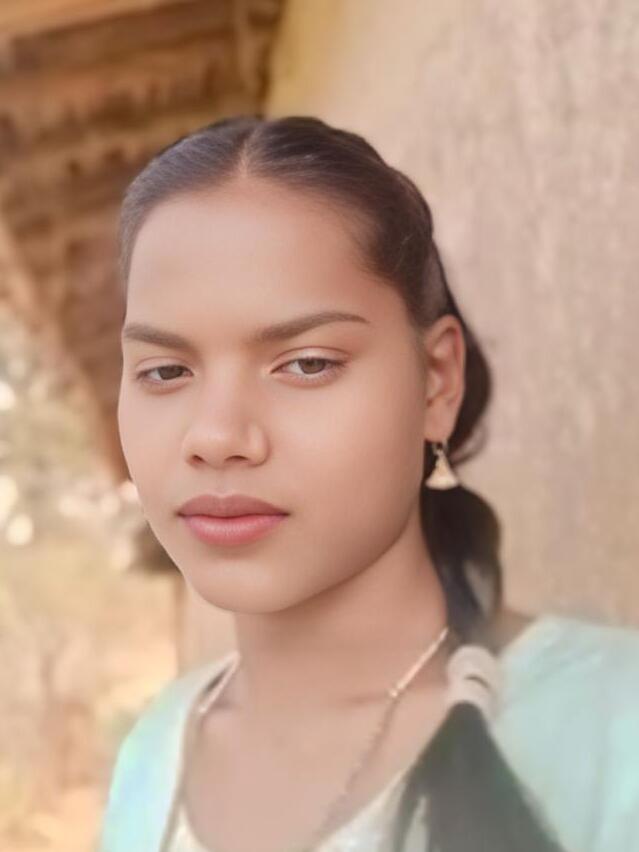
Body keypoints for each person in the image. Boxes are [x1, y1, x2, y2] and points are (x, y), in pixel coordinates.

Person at [99, 115, 639, 852]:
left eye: (307, 364)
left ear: (436, 381)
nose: (217, 436)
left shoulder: (611, 729)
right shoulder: (152, 755)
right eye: (165, 372)